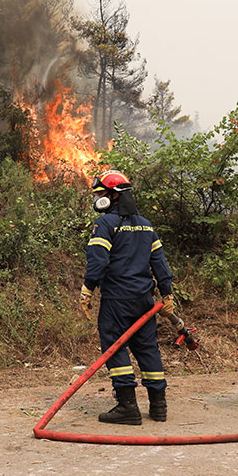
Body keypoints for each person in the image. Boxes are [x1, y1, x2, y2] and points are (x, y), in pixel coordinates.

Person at [79, 169, 175, 425]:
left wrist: (88, 289)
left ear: (114, 195)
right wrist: (167, 293)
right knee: (147, 348)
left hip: (117, 300)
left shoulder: (106, 223)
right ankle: (158, 406)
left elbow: (98, 260)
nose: (99, 198)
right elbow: (160, 262)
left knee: (114, 346)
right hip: (144, 300)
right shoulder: (146, 224)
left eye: (102, 194)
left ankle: (127, 406)